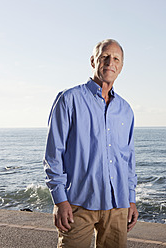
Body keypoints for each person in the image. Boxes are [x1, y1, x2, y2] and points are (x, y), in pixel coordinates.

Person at [44, 39, 138, 248]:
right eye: (104, 56)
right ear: (93, 61)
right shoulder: (69, 99)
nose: (110, 62)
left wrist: (130, 199)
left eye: (116, 59)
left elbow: (128, 159)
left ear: (121, 67)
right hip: (77, 203)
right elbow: (54, 154)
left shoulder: (126, 110)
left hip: (117, 205)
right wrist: (60, 201)